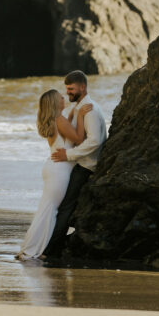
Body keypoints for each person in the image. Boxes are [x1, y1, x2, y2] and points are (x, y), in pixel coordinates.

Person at [18, 88, 92, 260]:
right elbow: (79, 139)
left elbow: (67, 133)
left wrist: (75, 113)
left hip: (53, 167)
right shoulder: (59, 120)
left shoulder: (55, 120)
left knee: (47, 208)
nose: (63, 97)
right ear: (54, 102)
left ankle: (31, 247)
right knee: (51, 210)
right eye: (60, 97)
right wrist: (80, 116)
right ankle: (36, 250)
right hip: (60, 170)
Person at [42, 70, 107, 259]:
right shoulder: (80, 108)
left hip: (86, 166)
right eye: (66, 89)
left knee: (66, 207)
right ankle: (55, 244)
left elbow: (95, 141)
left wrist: (69, 154)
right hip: (78, 164)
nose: (68, 92)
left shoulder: (90, 110)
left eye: (71, 89)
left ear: (83, 87)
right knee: (65, 207)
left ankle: (51, 249)